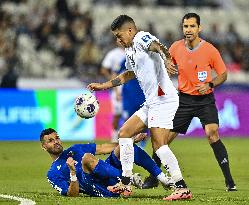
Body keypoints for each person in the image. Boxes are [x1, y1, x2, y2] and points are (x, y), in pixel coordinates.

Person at [87, 15, 192, 200]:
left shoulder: (141, 37)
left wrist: (167, 58)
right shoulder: (129, 50)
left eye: (120, 36)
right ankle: (125, 183)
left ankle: (181, 187)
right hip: (152, 102)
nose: (118, 41)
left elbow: (156, 46)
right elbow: (129, 74)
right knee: (125, 133)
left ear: (129, 30)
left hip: (164, 99)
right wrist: (104, 86)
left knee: (159, 146)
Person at [143, 12, 236, 192]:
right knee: (162, 140)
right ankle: (154, 177)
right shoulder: (176, 47)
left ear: (199, 28)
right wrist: (167, 63)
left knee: (212, 133)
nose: (188, 30)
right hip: (183, 100)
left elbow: (223, 74)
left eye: (192, 26)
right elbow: (168, 63)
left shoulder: (210, 50)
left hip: (205, 100)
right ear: (182, 28)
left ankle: (229, 181)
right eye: (185, 26)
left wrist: (210, 83)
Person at [40, 128, 174, 198]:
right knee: (87, 158)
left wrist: (130, 140)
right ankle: (128, 178)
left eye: (57, 138)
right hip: (98, 186)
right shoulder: (52, 173)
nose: (56, 141)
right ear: (44, 147)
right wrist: (73, 173)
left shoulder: (75, 149)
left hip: (106, 172)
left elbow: (104, 148)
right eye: (51, 140)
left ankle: (161, 177)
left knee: (126, 147)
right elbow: (72, 194)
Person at [100, 44, 126, 142]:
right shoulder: (113, 54)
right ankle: (114, 135)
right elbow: (104, 69)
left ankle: (128, 137)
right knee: (117, 114)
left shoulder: (134, 51)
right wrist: (111, 82)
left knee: (131, 114)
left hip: (131, 88)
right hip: (117, 88)